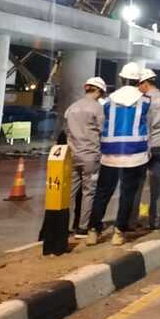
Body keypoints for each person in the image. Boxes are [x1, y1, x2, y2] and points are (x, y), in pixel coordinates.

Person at [88, 62, 150, 247]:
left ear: (122, 79)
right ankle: (119, 232)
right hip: (135, 154)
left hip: (110, 153)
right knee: (127, 195)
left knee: (102, 193)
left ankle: (93, 231)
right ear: (139, 80)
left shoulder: (107, 101)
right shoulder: (145, 101)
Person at [129, 68, 160, 231]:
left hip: (142, 147)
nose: (138, 88)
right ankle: (155, 221)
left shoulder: (141, 100)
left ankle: (131, 220)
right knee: (156, 185)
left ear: (145, 83)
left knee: (136, 184)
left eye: (139, 84)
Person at [64, 77, 106, 239]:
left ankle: (65, 226)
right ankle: (82, 227)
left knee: (70, 192)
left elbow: (66, 131)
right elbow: (103, 131)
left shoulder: (72, 107)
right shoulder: (97, 108)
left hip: (72, 154)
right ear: (98, 91)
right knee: (89, 191)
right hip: (90, 156)